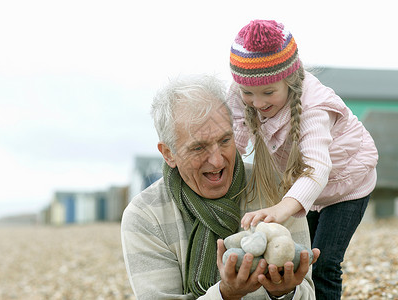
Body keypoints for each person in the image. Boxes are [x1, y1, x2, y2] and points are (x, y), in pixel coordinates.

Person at [121, 74, 320, 299]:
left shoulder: (277, 189)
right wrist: (226, 295)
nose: (217, 161)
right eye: (198, 148)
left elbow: (307, 293)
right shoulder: (145, 216)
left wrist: (286, 291)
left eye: (225, 141)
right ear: (168, 154)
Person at [227, 19, 378, 299]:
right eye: (248, 93)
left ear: (290, 80)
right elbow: (234, 138)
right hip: (304, 191)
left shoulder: (314, 106)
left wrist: (282, 208)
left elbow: (317, 167)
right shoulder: (241, 92)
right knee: (298, 261)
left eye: (268, 92)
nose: (257, 102)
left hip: (347, 185)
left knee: (323, 263)